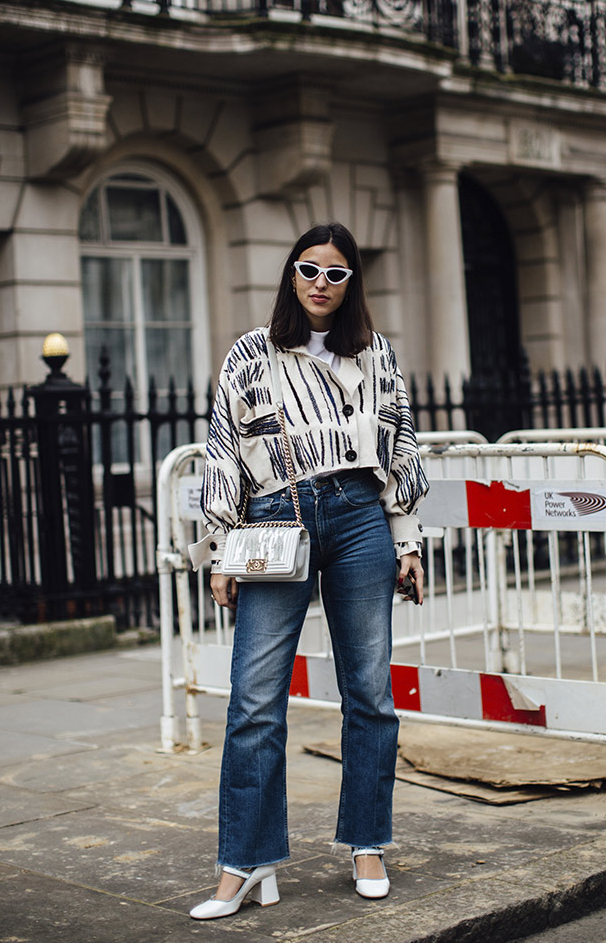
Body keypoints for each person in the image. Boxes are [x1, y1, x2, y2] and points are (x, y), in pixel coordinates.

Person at [189, 222, 429, 920]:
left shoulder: (375, 354)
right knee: (254, 699)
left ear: (352, 283)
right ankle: (245, 860)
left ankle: (366, 842)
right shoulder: (250, 354)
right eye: (308, 269)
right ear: (290, 274)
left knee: (369, 692)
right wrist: (220, 545)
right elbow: (223, 451)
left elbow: (401, 448)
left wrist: (406, 542)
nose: (320, 284)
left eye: (336, 274)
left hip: (359, 518)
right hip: (271, 519)